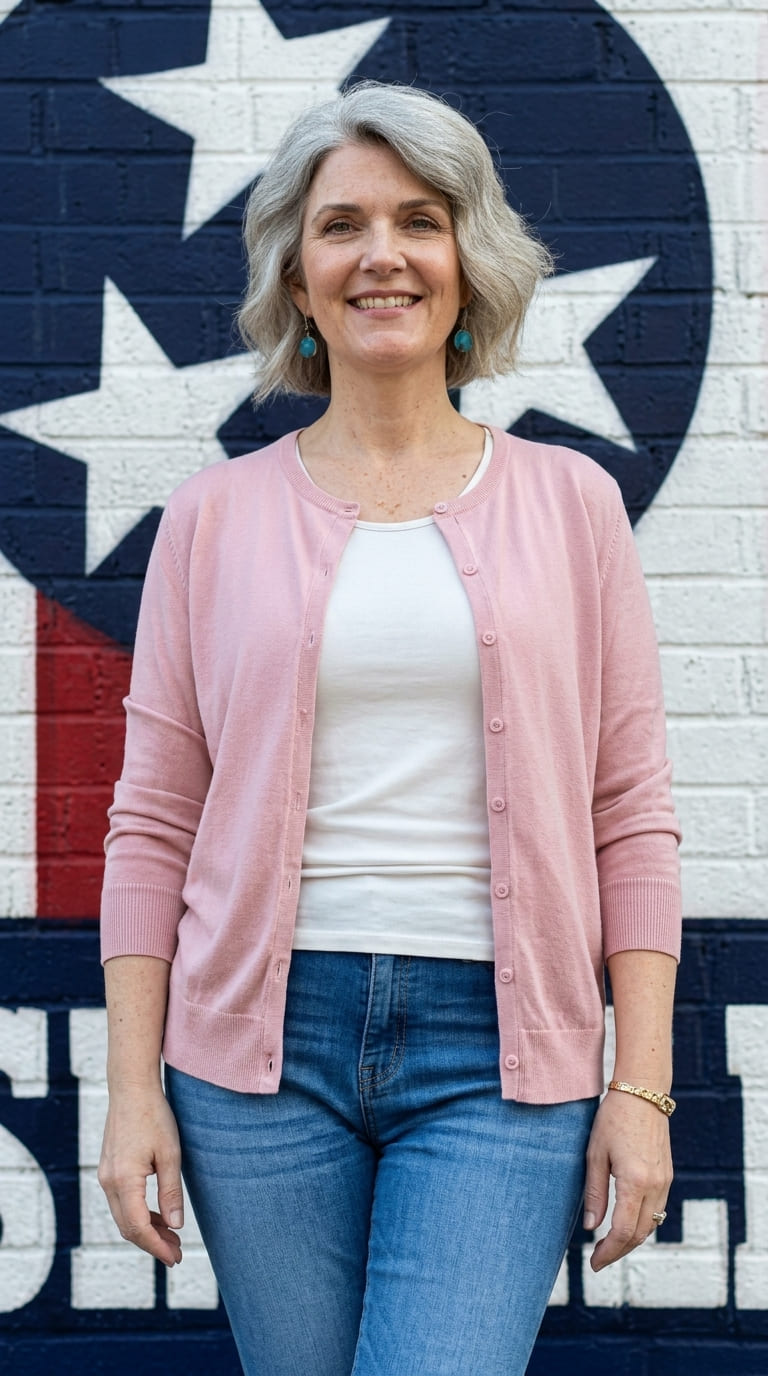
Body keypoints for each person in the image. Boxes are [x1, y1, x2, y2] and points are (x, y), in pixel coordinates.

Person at [98, 80, 682, 1376]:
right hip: (257, 1055)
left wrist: (638, 1089)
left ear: (466, 265)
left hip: (503, 1052)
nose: (381, 255)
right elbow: (150, 825)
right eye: (341, 225)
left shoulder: (572, 506)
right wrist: (132, 1088)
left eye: (419, 220)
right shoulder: (212, 518)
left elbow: (630, 811)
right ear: (296, 279)